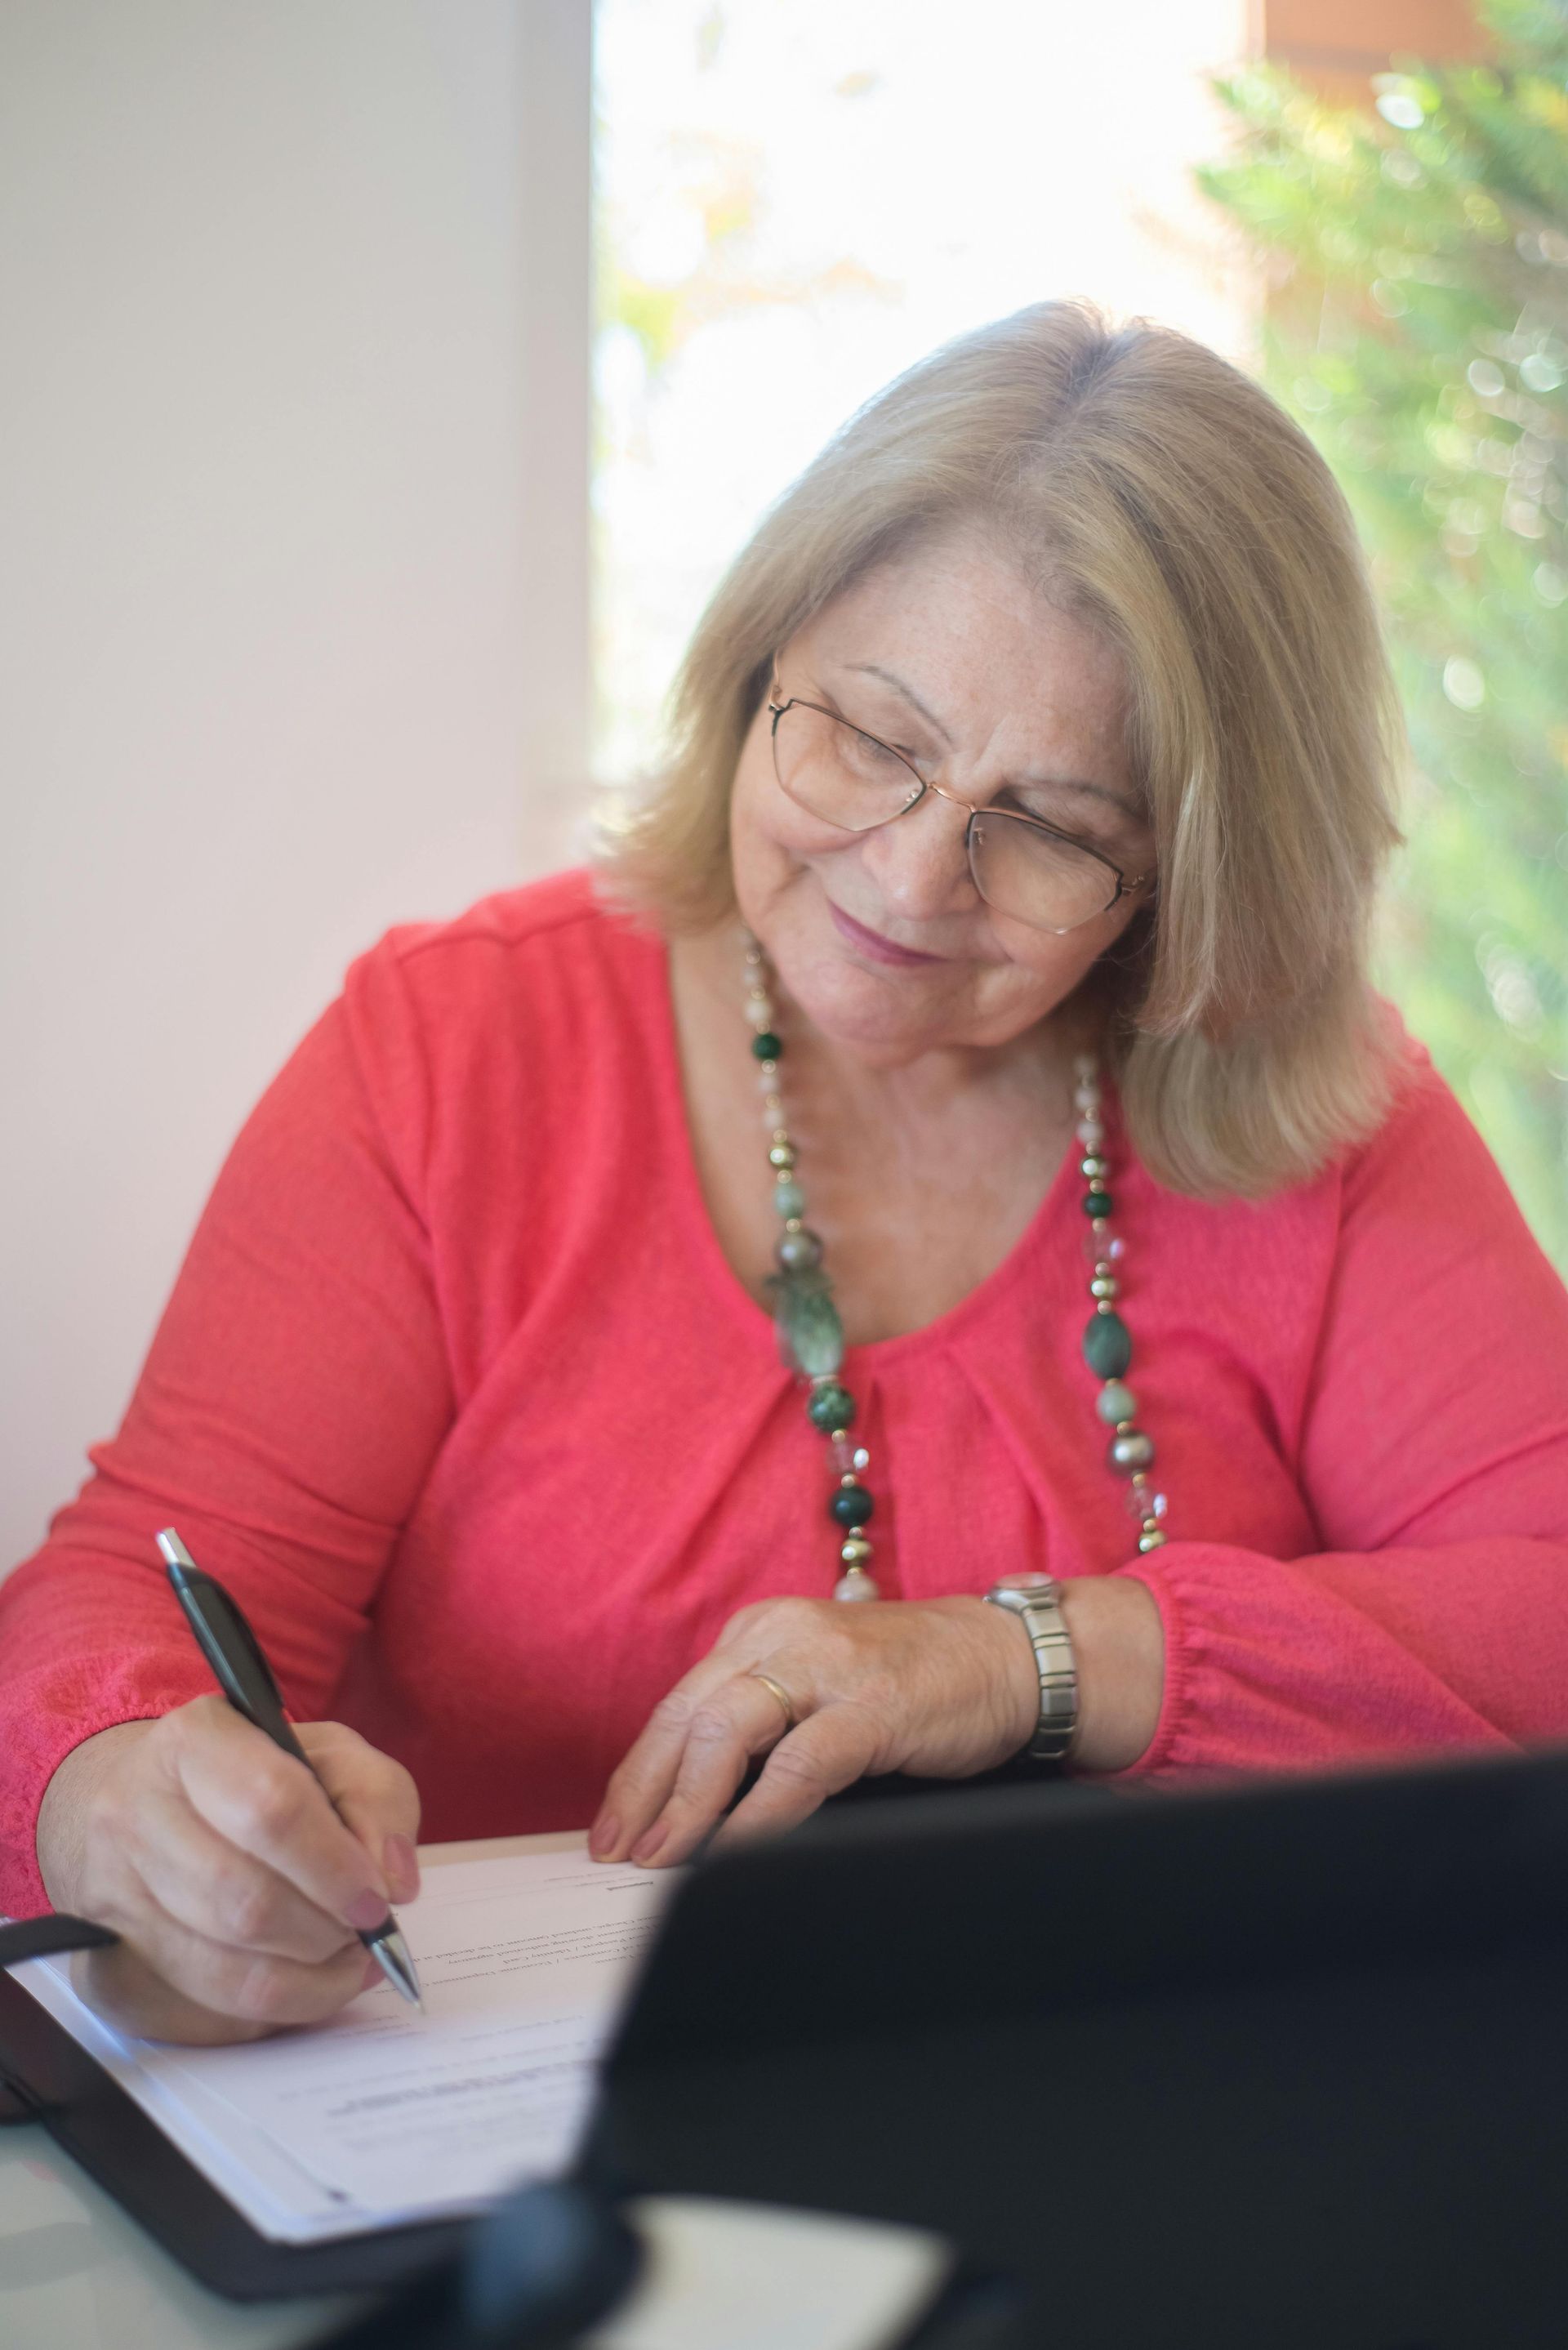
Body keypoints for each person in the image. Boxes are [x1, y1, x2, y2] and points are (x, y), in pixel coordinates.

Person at [5, 301, 1566, 2046]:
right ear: (759, 660)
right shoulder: (451, 1050)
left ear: (1186, 887)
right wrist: (117, 1792)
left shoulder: (1320, 1118)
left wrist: (1019, 1658)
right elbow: (131, 1595)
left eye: (1052, 829)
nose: (910, 876)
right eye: (870, 737)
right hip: (512, 2154)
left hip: (1161, 2097)